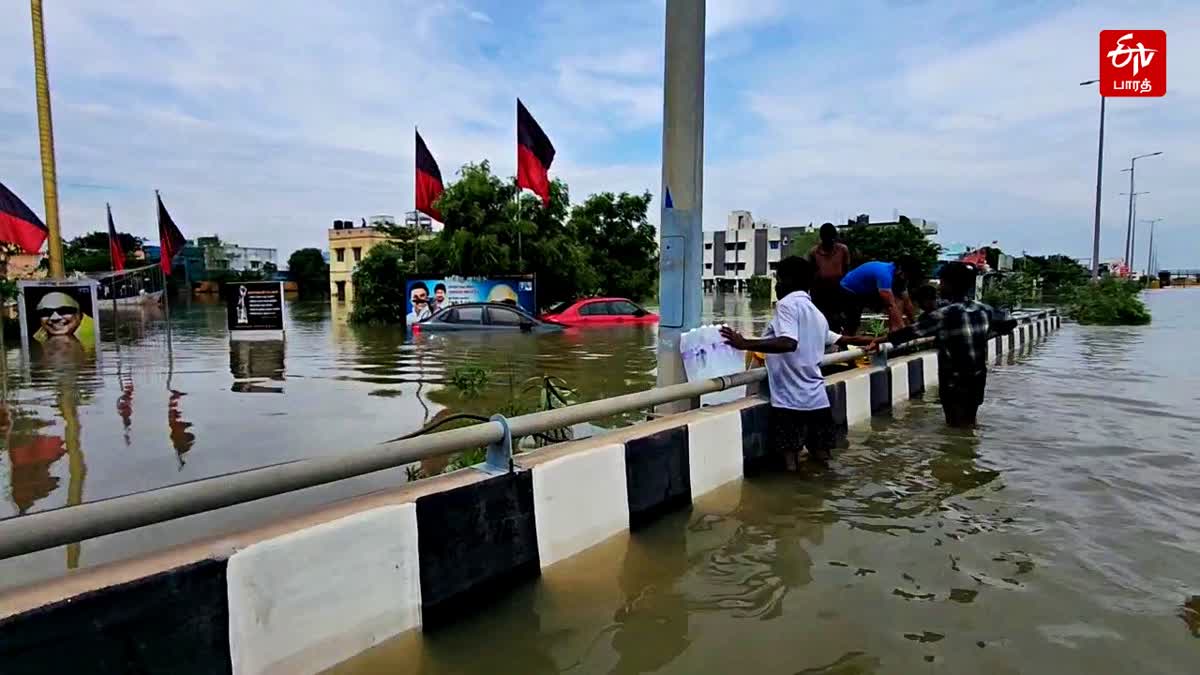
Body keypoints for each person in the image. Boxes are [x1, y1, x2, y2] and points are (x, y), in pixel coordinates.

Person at [721, 256, 876, 468]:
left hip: (789, 401)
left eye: (778, 279)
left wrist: (744, 342)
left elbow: (788, 342)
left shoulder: (786, 306)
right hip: (817, 399)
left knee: (790, 463)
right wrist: (877, 340)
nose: (776, 285)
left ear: (788, 280)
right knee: (822, 459)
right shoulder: (816, 313)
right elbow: (841, 339)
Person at [879, 262, 1016, 427]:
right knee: (970, 421)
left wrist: (877, 341)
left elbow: (907, 334)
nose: (940, 286)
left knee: (954, 424)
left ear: (949, 285)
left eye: (942, 282)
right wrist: (987, 333)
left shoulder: (943, 314)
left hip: (954, 379)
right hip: (978, 376)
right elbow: (1010, 322)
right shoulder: (984, 309)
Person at [840, 255, 922, 335]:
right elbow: (890, 305)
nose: (908, 278)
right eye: (907, 274)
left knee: (899, 299)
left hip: (866, 291)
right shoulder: (884, 274)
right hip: (847, 290)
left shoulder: (899, 278)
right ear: (900, 269)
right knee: (853, 321)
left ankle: (894, 330)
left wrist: (916, 324)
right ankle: (841, 342)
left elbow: (907, 302)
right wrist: (902, 329)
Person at [807, 222, 851, 331]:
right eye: (827, 239)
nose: (830, 242)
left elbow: (846, 270)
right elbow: (810, 275)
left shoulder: (842, 250)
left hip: (838, 291)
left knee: (838, 321)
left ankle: (840, 342)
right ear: (822, 238)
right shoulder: (814, 253)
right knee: (821, 322)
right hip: (820, 293)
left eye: (832, 239)